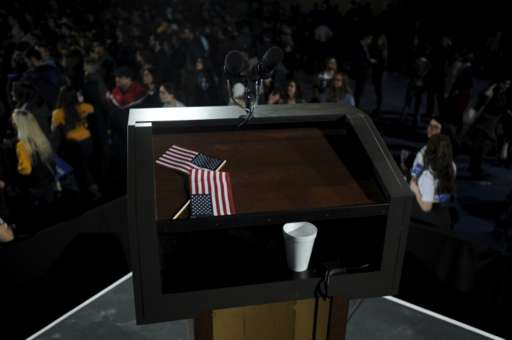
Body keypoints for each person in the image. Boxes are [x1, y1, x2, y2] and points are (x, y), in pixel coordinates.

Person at [10, 108, 57, 231]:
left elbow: (26, 170)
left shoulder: (21, 145)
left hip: (36, 190)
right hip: (49, 185)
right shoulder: (41, 139)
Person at [52, 86, 101, 200]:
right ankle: (97, 187)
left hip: (73, 145)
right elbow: (93, 114)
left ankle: (93, 191)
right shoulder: (86, 107)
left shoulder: (57, 114)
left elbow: (54, 131)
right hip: (88, 141)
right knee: (89, 166)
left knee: (83, 169)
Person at [409, 134, 456, 213]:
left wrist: (416, 190)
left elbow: (426, 208)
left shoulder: (428, 176)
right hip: (442, 208)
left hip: (426, 213)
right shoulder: (452, 166)